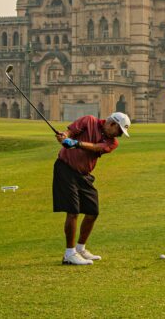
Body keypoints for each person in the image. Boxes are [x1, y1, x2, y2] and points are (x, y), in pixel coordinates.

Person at [53, 111, 131, 265]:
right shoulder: (89, 120)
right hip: (65, 169)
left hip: (84, 174)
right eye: (119, 131)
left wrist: (76, 143)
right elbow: (71, 131)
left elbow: (95, 147)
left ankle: (80, 248)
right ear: (112, 124)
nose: (119, 135)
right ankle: (69, 253)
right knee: (73, 211)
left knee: (92, 211)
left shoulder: (112, 142)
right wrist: (64, 136)